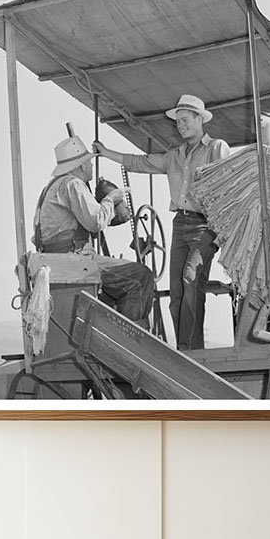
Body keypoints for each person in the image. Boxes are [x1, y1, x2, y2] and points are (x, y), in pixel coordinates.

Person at [94, 94, 230, 351]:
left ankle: (192, 351)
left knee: (191, 278)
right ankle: (182, 349)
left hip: (207, 226)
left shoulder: (216, 149)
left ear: (200, 119)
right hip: (180, 224)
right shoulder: (174, 156)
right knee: (176, 291)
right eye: (177, 122)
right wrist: (106, 152)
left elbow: (230, 184)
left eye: (185, 120)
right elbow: (139, 162)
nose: (180, 126)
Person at [33, 132, 155, 327]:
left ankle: (112, 333)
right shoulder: (73, 184)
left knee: (115, 287)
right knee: (140, 277)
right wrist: (111, 199)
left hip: (58, 259)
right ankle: (132, 344)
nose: (91, 166)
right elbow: (96, 222)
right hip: (76, 259)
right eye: (89, 162)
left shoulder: (52, 187)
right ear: (81, 165)